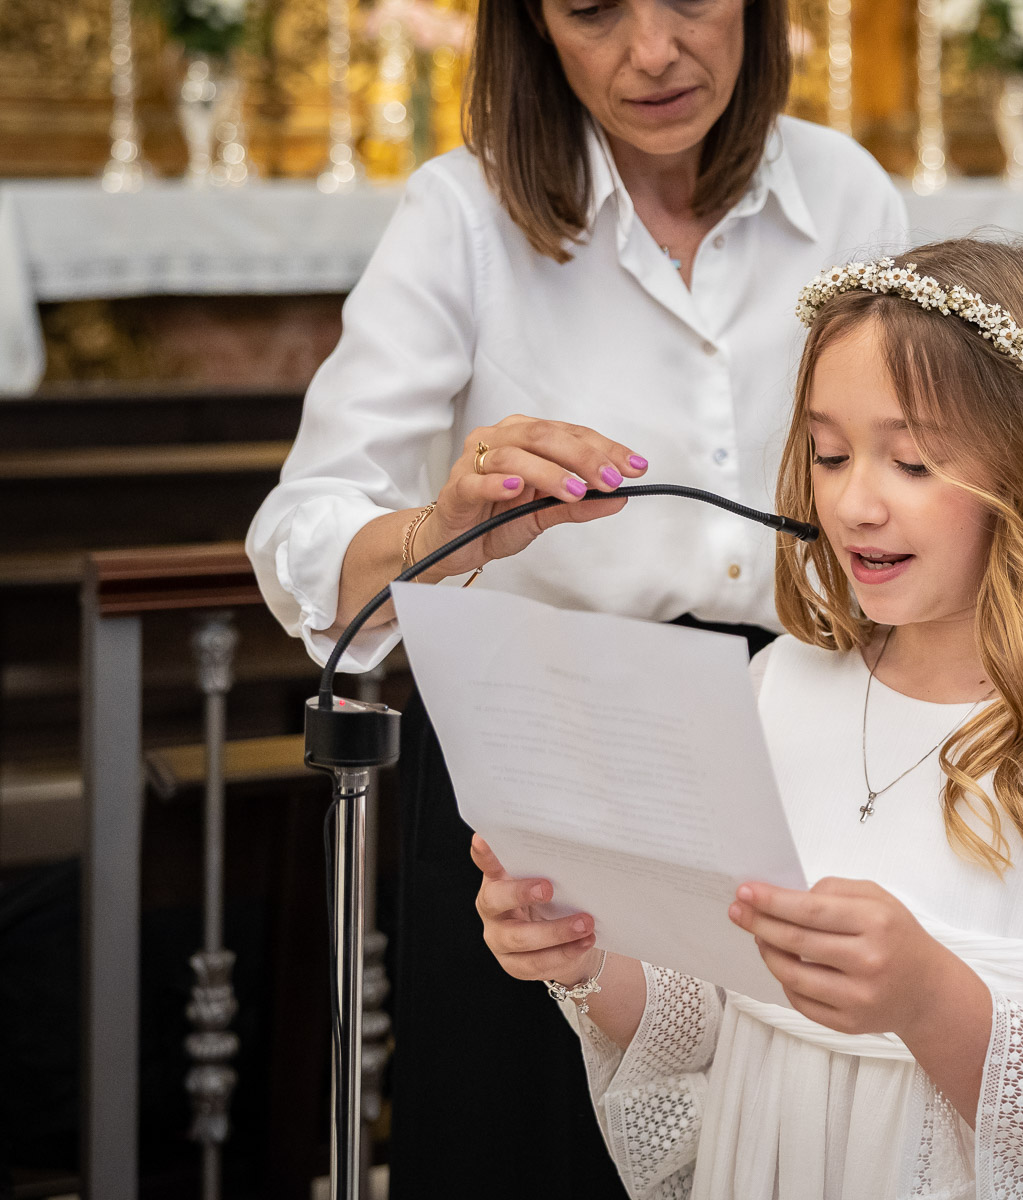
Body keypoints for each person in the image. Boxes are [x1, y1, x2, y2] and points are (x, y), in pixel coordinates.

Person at [245, 0, 906, 1190]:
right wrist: (442, 529)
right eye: (595, 8)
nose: (653, 52)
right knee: (528, 1139)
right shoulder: (463, 213)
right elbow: (299, 528)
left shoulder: (847, 195)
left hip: (800, 747)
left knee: (778, 1128)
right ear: (530, 27)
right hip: (547, 762)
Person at [469, 238, 1023, 1197]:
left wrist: (927, 997)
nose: (854, 501)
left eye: (910, 461)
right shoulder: (780, 686)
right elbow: (717, 1015)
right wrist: (584, 956)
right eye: (829, 453)